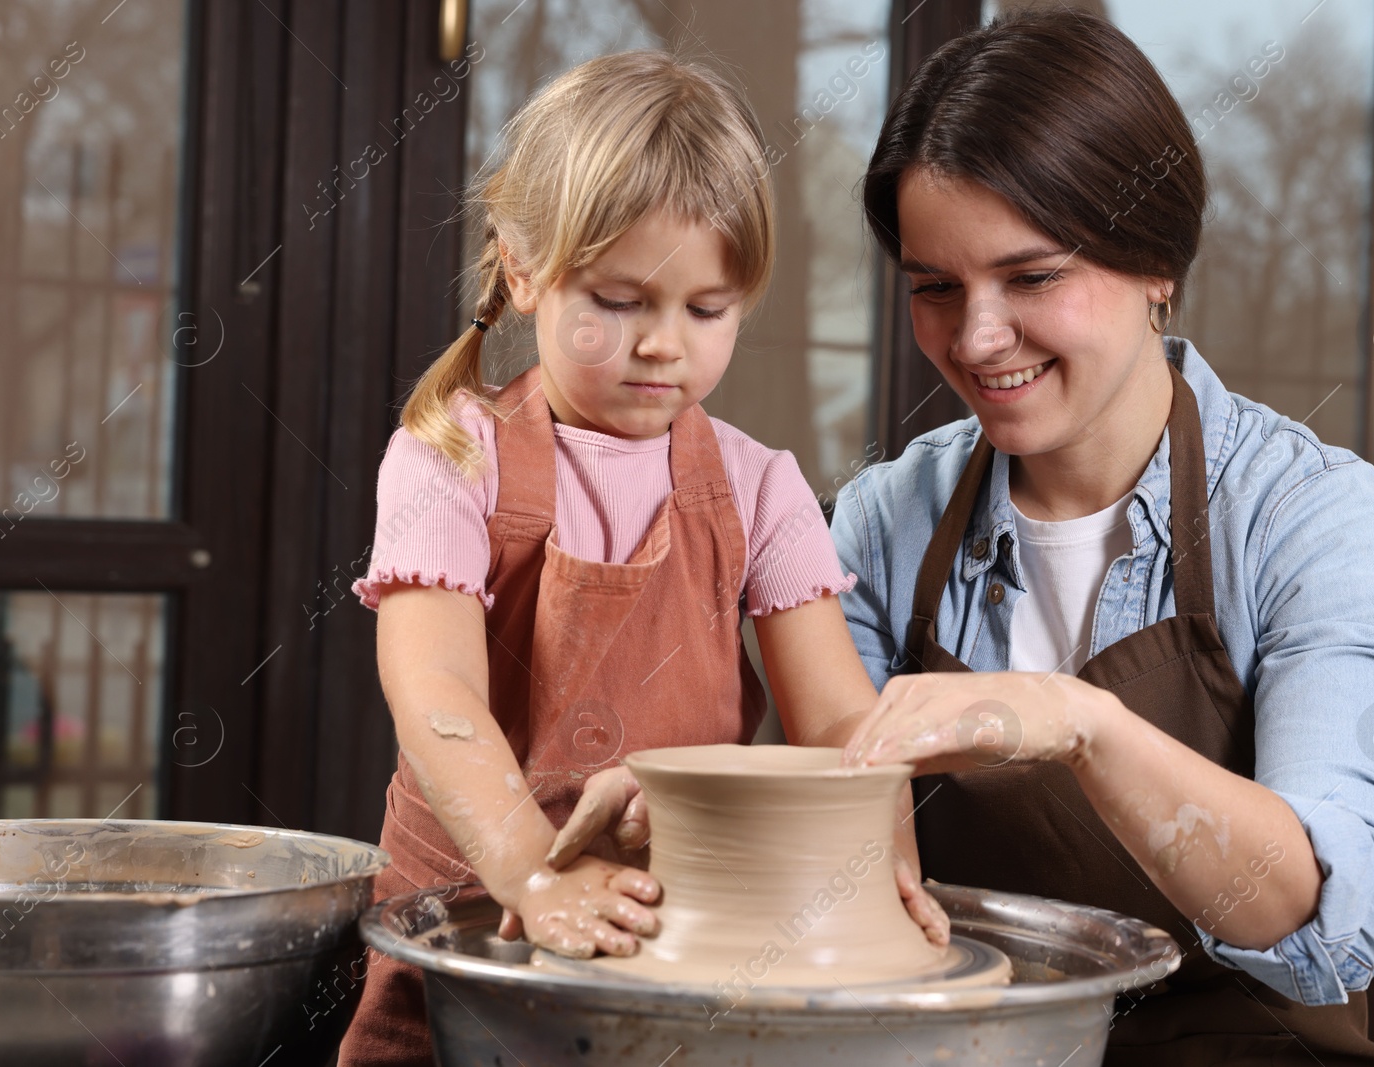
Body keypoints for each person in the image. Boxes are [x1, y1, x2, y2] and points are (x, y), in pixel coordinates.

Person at [832, 10, 1374, 1066]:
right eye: (936, 287)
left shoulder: (1309, 517)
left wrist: (1079, 721)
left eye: (1032, 278)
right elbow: (814, 847)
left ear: (1155, 260)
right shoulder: (884, 520)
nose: (976, 339)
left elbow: (1339, 922)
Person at [336, 51, 940, 1066]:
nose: (665, 344)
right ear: (523, 269)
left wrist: (882, 866)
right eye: (618, 301)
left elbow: (840, 719)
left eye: (707, 310)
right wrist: (533, 873)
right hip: (468, 928)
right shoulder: (449, 457)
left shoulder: (758, 487)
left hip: (676, 931)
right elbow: (435, 691)